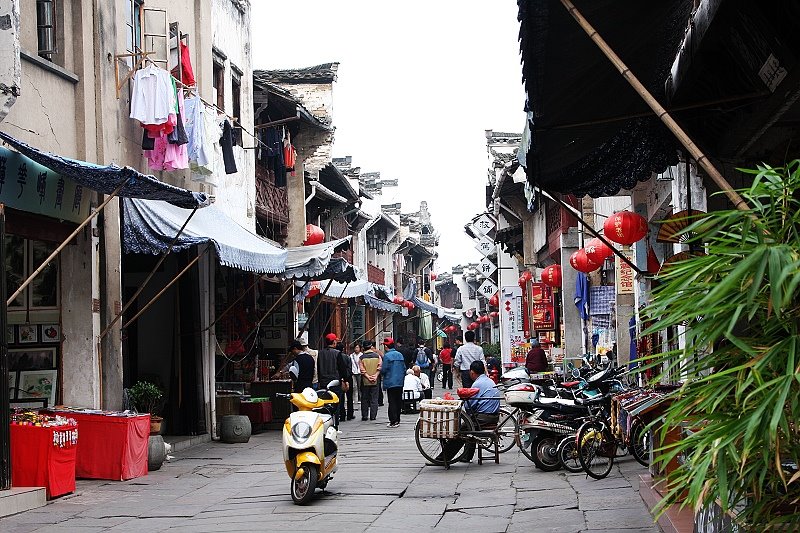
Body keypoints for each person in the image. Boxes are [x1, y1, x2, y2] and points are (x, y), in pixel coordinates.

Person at [317, 333, 349, 428]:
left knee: (325, 404)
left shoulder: (320, 353)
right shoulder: (337, 353)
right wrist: (345, 380)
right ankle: (335, 424)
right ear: (334, 342)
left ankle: (326, 424)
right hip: (335, 382)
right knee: (335, 403)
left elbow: (318, 368)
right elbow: (342, 369)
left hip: (323, 382)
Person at [380, 337, 406, 428]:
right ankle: (397, 420)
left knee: (392, 402)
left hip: (390, 382)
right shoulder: (400, 355)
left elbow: (384, 370)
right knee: (398, 401)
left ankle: (393, 421)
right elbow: (404, 368)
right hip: (399, 382)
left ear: (386, 346)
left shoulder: (387, 356)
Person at [466, 360, 501, 429]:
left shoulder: (477, 383)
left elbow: (469, 406)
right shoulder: (489, 380)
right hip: (495, 416)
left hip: (484, 418)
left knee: (460, 428)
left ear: (472, 372)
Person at [358, 341, 381, 421]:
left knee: (364, 398)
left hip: (365, 380)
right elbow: (380, 367)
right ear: (371, 347)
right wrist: (375, 376)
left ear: (363, 348)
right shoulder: (377, 356)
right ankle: (373, 416)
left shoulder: (361, 358)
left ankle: (364, 416)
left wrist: (367, 376)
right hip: (375, 380)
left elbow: (362, 370)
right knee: (374, 398)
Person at [337, 341, 355, 421]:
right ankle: (350, 414)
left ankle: (342, 413)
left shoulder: (336, 356)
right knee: (349, 397)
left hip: (339, 378)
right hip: (348, 378)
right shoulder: (347, 357)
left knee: (341, 397)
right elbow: (350, 368)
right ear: (343, 349)